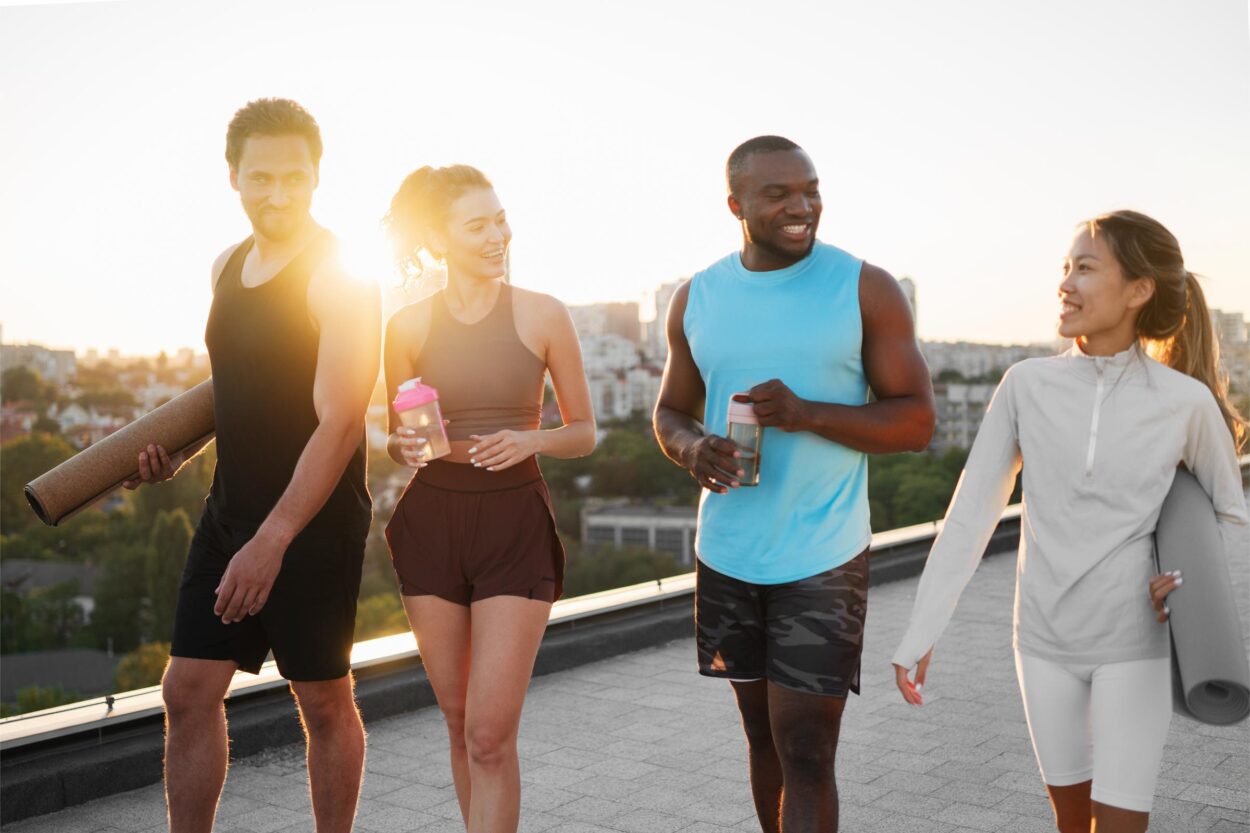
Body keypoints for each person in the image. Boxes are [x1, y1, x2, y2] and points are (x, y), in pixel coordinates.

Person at [892, 210, 1249, 833]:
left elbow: (1231, 516)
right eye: (1065, 267)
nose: (1066, 282)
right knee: (1069, 822)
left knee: (1118, 827)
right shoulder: (1024, 384)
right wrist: (919, 631)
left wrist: (1187, 586)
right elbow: (971, 514)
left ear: (1139, 290)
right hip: (1040, 643)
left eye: (1085, 268)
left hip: (1134, 643)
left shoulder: (1184, 403)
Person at [653, 136, 935, 833]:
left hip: (824, 553)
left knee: (807, 747)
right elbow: (669, 410)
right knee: (763, 742)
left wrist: (808, 413)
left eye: (809, 189)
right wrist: (692, 448)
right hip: (728, 552)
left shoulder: (864, 286)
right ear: (735, 205)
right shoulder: (697, 296)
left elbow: (918, 421)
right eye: (778, 194)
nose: (802, 205)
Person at [124, 98, 379, 833]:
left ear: (317, 176)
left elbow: (340, 420)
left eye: (293, 177)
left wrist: (273, 540)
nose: (278, 193)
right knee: (188, 689)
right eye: (260, 176)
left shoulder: (341, 276)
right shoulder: (225, 266)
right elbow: (239, 389)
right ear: (232, 175)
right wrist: (178, 450)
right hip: (228, 508)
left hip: (312, 520)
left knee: (323, 700)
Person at [381, 164, 595, 833]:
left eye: (499, 218)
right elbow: (400, 435)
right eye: (477, 224)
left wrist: (530, 439)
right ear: (440, 237)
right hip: (430, 523)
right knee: (457, 720)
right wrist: (406, 446)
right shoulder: (407, 326)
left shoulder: (542, 313)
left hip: (514, 525)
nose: (497, 233)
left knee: (490, 735)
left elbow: (585, 432)